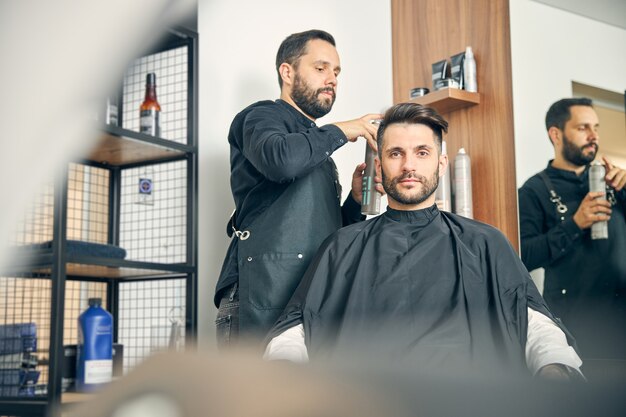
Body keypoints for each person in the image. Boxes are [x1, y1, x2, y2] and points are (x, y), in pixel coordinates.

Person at [264, 102, 583, 380]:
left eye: (422, 152)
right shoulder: (342, 246)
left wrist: (554, 370)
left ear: (441, 164)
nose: (409, 166)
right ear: (379, 165)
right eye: (395, 153)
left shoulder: (485, 243)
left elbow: (534, 322)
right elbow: (295, 329)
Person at [215, 29, 383, 347]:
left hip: (306, 303)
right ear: (287, 72)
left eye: (336, 72)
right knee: (253, 398)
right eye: (321, 68)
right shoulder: (261, 116)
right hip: (257, 299)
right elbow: (281, 161)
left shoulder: (317, 151)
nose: (332, 78)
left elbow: (329, 240)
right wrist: (341, 130)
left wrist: (354, 200)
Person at [518, 98, 626, 369]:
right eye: (583, 128)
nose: (594, 136)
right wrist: (574, 225)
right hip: (577, 323)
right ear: (556, 134)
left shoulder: (612, 181)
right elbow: (524, 256)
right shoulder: (533, 191)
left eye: (596, 127)